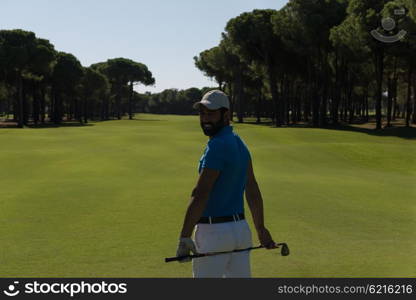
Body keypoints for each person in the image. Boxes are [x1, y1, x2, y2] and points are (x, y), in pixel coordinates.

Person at [176, 89, 277, 278]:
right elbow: (252, 189)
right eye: (202, 113)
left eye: (211, 113)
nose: (205, 118)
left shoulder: (217, 145)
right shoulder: (240, 144)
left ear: (226, 115)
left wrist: (184, 237)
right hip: (240, 232)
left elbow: (200, 193)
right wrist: (260, 229)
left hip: (214, 234)